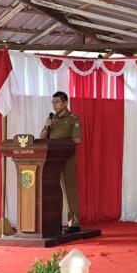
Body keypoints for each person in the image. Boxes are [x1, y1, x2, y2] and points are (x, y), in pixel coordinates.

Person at [39, 91, 82, 233]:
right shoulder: (52, 119)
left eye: (57, 102)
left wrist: (60, 143)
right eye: (53, 102)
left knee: (69, 190)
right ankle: (53, 222)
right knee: (52, 191)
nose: (54, 105)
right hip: (52, 159)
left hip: (67, 157)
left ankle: (74, 223)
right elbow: (43, 137)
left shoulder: (73, 119)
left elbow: (77, 140)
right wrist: (46, 126)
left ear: (65, 103)